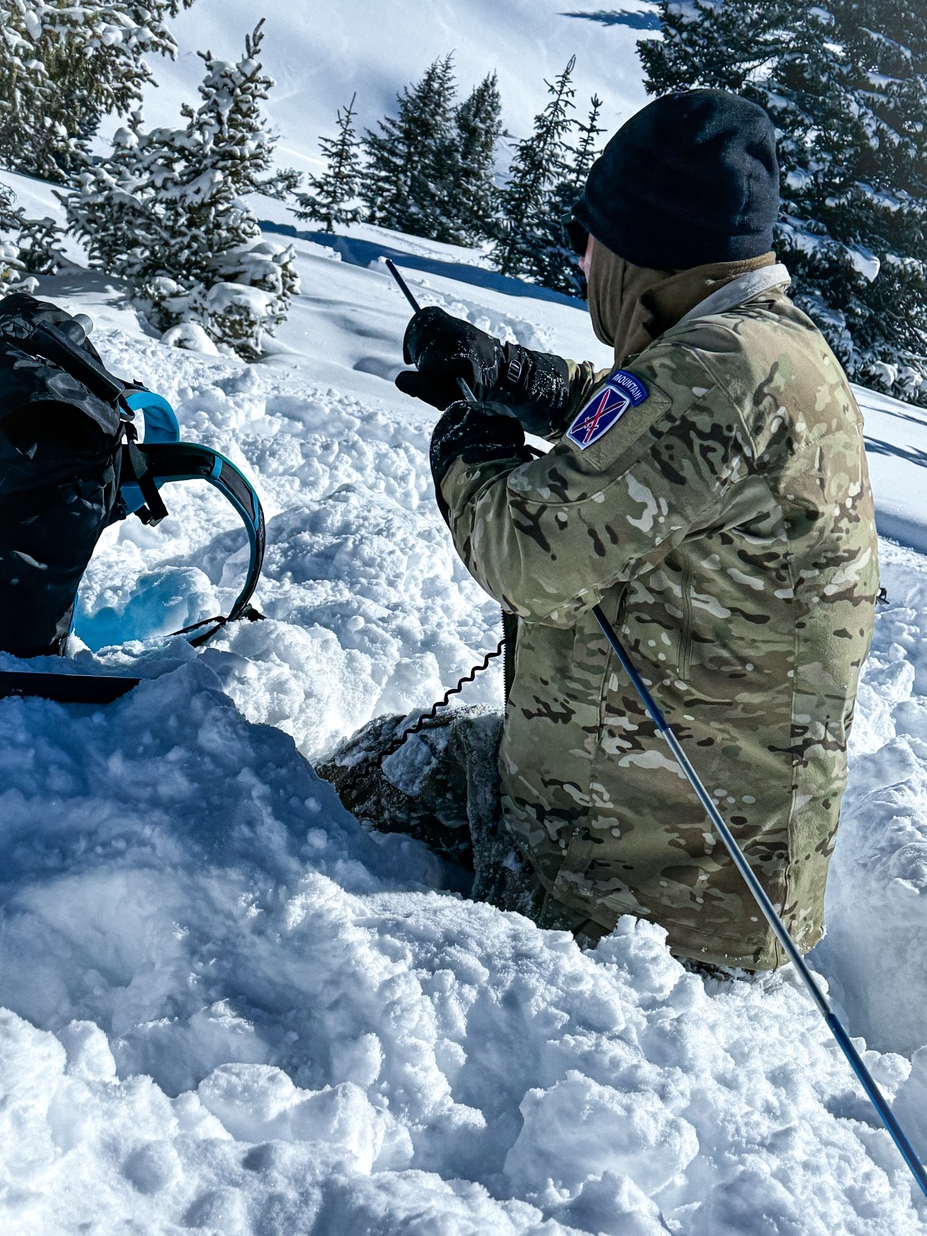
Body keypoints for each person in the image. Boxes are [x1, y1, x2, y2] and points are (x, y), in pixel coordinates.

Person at [325, 89, 878, 973]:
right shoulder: (763, 347)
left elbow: (523, 549)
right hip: (679, 842)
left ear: (641, 250)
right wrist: (510, 373)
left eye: (587, 240)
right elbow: (641, 434)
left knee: (326, 806)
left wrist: (471, 433)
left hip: (638, 895)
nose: (580, 264)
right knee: (385, 762)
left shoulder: (720, 372)